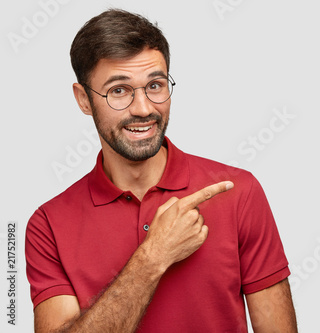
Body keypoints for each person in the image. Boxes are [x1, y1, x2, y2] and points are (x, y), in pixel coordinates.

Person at [25, 8, 297, 333]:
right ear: (84, 99)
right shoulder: (48, 226)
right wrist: (154, 256)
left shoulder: (239, 192)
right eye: (119, 90)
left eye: (155, 85)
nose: (143, 109)